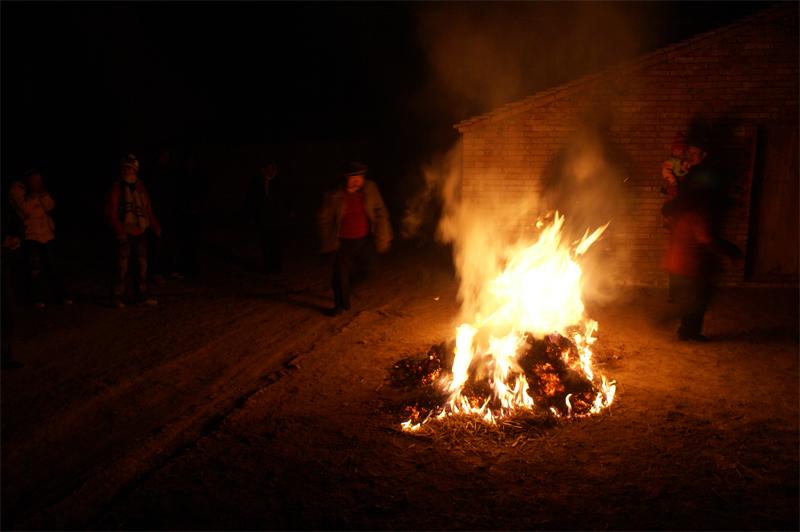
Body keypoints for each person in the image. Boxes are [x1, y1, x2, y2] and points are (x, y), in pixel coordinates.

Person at [662, 141, 741, 341]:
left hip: (681, 262)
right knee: (697, 299)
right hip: (691, 264)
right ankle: (688, 332)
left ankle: (685, 330)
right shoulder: (698, 210)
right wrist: (730, 249)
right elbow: (705, 238)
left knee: (694, 299)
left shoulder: (687, 207)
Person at [318, 161, 392, 316]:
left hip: (364, 240)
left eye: (360, 176)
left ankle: (347, 286)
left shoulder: (370, 188)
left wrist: (383, 235)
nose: (357, 180)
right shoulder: (334, 194)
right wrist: (327, 242)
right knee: (339, 274)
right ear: (345, 177)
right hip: (342, 242)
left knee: (371, 271)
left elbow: (380, 211)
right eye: (353, 177)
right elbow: (325, 218)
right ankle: (338, 305)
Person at [9, 168, 70, 308]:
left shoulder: (40, 192)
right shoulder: (16, 190)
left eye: (39, 180)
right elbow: (25, 211)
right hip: (30, 235)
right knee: (34, 268)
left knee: (53, 266)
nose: (38, 182)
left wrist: (42, 194)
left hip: (46, 234)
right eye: (35, 180)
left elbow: (50, 206)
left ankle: (60, 296)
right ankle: (37, 298)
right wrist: (31, 195)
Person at [106, 154, 161, 307]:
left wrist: (155, 225)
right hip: (124, 231)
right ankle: (117, 296)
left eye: (130, 168)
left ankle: (141, 295)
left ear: (135, 170)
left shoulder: (141, 187)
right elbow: (111, 211)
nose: (127, 171)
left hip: (140, 230)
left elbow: (146, 209)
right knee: (121, 266)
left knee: (142, 264)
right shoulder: (117, 187)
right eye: (125, 168)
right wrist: (118, 229)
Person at [248, 160, 290, 274]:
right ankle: (268, 266)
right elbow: (254, 200)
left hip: (277, 219)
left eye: (271, 168)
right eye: (266, 169)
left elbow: (286, 199)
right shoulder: (258, 182)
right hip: (264, 219)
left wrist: (287, 213)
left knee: (277, 244)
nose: (268, 171)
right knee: (266, 243)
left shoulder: (280, 182)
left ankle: (277, 267)